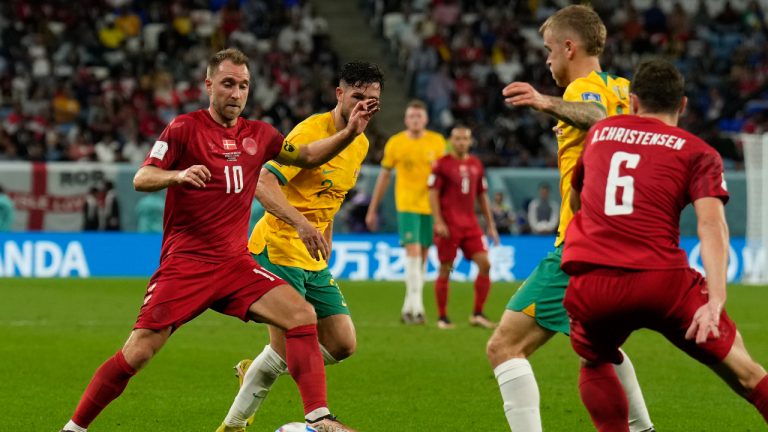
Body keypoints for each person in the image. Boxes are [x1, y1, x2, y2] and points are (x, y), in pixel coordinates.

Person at [58, 48, 379, 432]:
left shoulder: (260, 135)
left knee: (301, 315)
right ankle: (73, 429)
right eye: (228, 83)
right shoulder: (183, 128)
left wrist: (348, 133)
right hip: (187, 264)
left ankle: (318, 417)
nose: (236, 93)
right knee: (139, 352)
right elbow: (142, 178)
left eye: (243, 85)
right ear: (209, 85)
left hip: (235, 264)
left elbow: (307, 156)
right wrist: (175, 176)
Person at [562, 58, 768, 430]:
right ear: (683, 105)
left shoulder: (600, 134)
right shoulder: (697, 152)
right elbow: (711, 225)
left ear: (633, 101)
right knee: (747, 373)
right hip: (662, 282)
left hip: (594, 282)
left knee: (594, 360)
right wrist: (715, 300)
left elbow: (576, 202)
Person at [484, 6, 655, 432]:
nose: (547, 60)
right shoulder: (623, 88)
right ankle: (643, 429)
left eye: (548, 51)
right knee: (596, 344)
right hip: (619, 238)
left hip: (579, 242)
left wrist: (545, 101)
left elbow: (595, 119)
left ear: (569, 46)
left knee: (504, 345)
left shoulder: (584, 88)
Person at [216, 61, 383, 432]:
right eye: (357, 97)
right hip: (277, 245)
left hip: (312, 254)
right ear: (339, 94)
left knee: (342, 343)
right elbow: (263, 182)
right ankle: (235, 425)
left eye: (372, 101)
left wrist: (327, 237)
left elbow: (330, 197)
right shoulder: (310, 131)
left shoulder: (361, 142)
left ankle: (253, 371)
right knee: (288, 342)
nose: (364, 107)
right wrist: (302, 223)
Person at [365, 100, 447, 324]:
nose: (415, 120)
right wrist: (373, 208)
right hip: (408, 205)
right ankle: (417, 309)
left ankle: (408, 307)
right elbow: (384, 176)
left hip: (431, 208)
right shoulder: (396, 143)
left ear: (426, 119)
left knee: (422, 258)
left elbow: (446, 177)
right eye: (411, 116)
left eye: (419, 117)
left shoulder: (438, 142)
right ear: (406, 119)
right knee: (413, 254)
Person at [428, 125, 499, 330]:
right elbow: (432, 194)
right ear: (451, 141)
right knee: (446, 269)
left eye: (465, 138)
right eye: (457, 138)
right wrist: (438, 221)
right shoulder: (441, 165)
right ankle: (442, 317)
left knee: (485, 264)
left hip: (471, 226)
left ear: (470, 141)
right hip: (449, 226)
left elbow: (482, 196)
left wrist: (491, 225)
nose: (461, 142)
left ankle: (477, 313)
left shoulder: (476, 164)